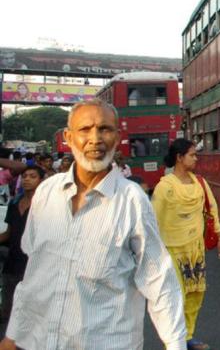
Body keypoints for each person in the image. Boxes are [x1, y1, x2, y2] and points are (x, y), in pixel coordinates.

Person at [0, 99, 186, 350]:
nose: (95, 138)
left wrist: (176, 344)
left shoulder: (132, 200)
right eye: (85, 129)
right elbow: (35, 273)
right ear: (68, 137)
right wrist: (13, 335)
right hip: (41, 341)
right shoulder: (47, 193)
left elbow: (159, 279)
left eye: (105, 129)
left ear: (117, 136)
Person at [152, 139, 220, 350]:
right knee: (177, 297)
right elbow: (153, 221)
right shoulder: (164, 187)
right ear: (179, 157)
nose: (196, 158)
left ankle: (187, 336)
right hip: (172, 251)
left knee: (196, 294)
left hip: (196, 250)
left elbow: (211, 209)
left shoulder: (199, 183)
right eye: (192, 155)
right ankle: (174, 342)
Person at [0, 165, 44, 322]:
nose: (27, 179)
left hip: (33, 266)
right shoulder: (14, 204)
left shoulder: (46, 206)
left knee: (29, 314)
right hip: (11, 264)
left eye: (33, 176)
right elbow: (8, 234)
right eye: (24, 176)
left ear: (41, 181)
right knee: (7, 310)